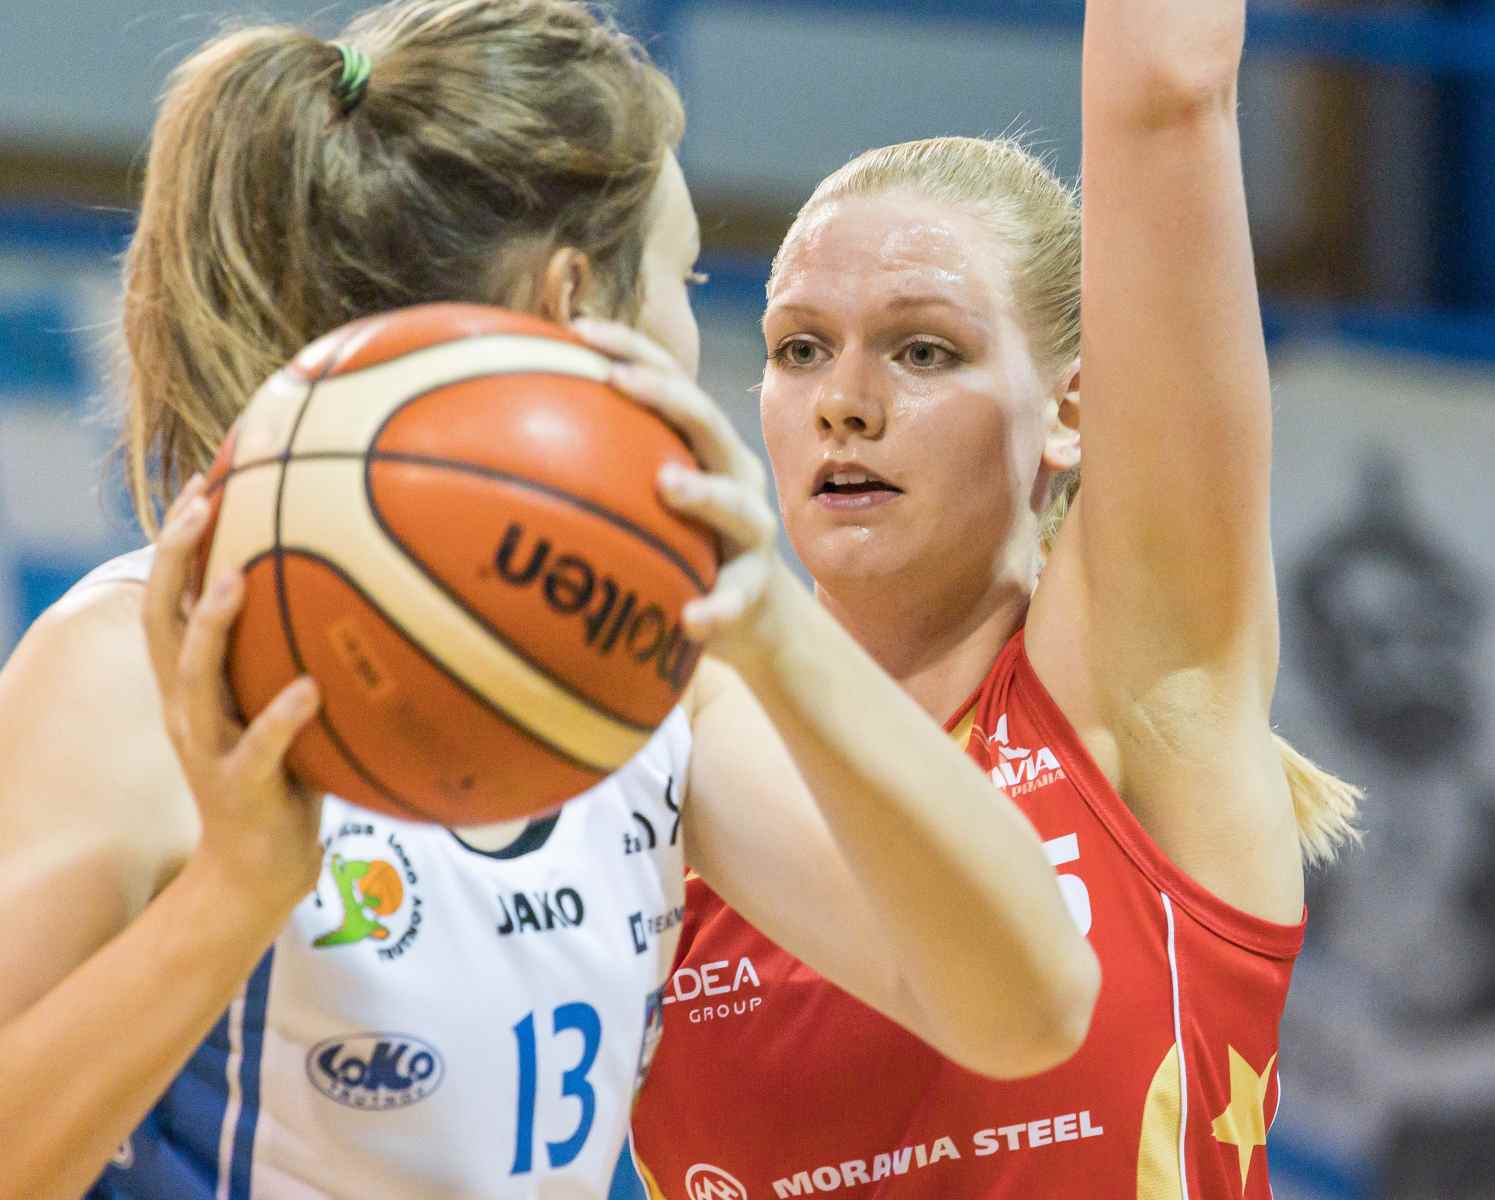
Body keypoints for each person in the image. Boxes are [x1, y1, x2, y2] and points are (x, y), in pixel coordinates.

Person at [0, 3, 1098, 1197]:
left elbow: (1032, 1009)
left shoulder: (657, 672)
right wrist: (230, 902)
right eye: (683, 279)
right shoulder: (136, 663)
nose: (696, 336)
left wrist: (779, 625)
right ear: (577, 306)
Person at [629, 0, 1361, 1196]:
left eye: (923, 351)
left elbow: (1168, 93)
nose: (843, 402)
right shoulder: (678, 755)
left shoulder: (1137, 687)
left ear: (1070, 409)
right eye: (800, 348)